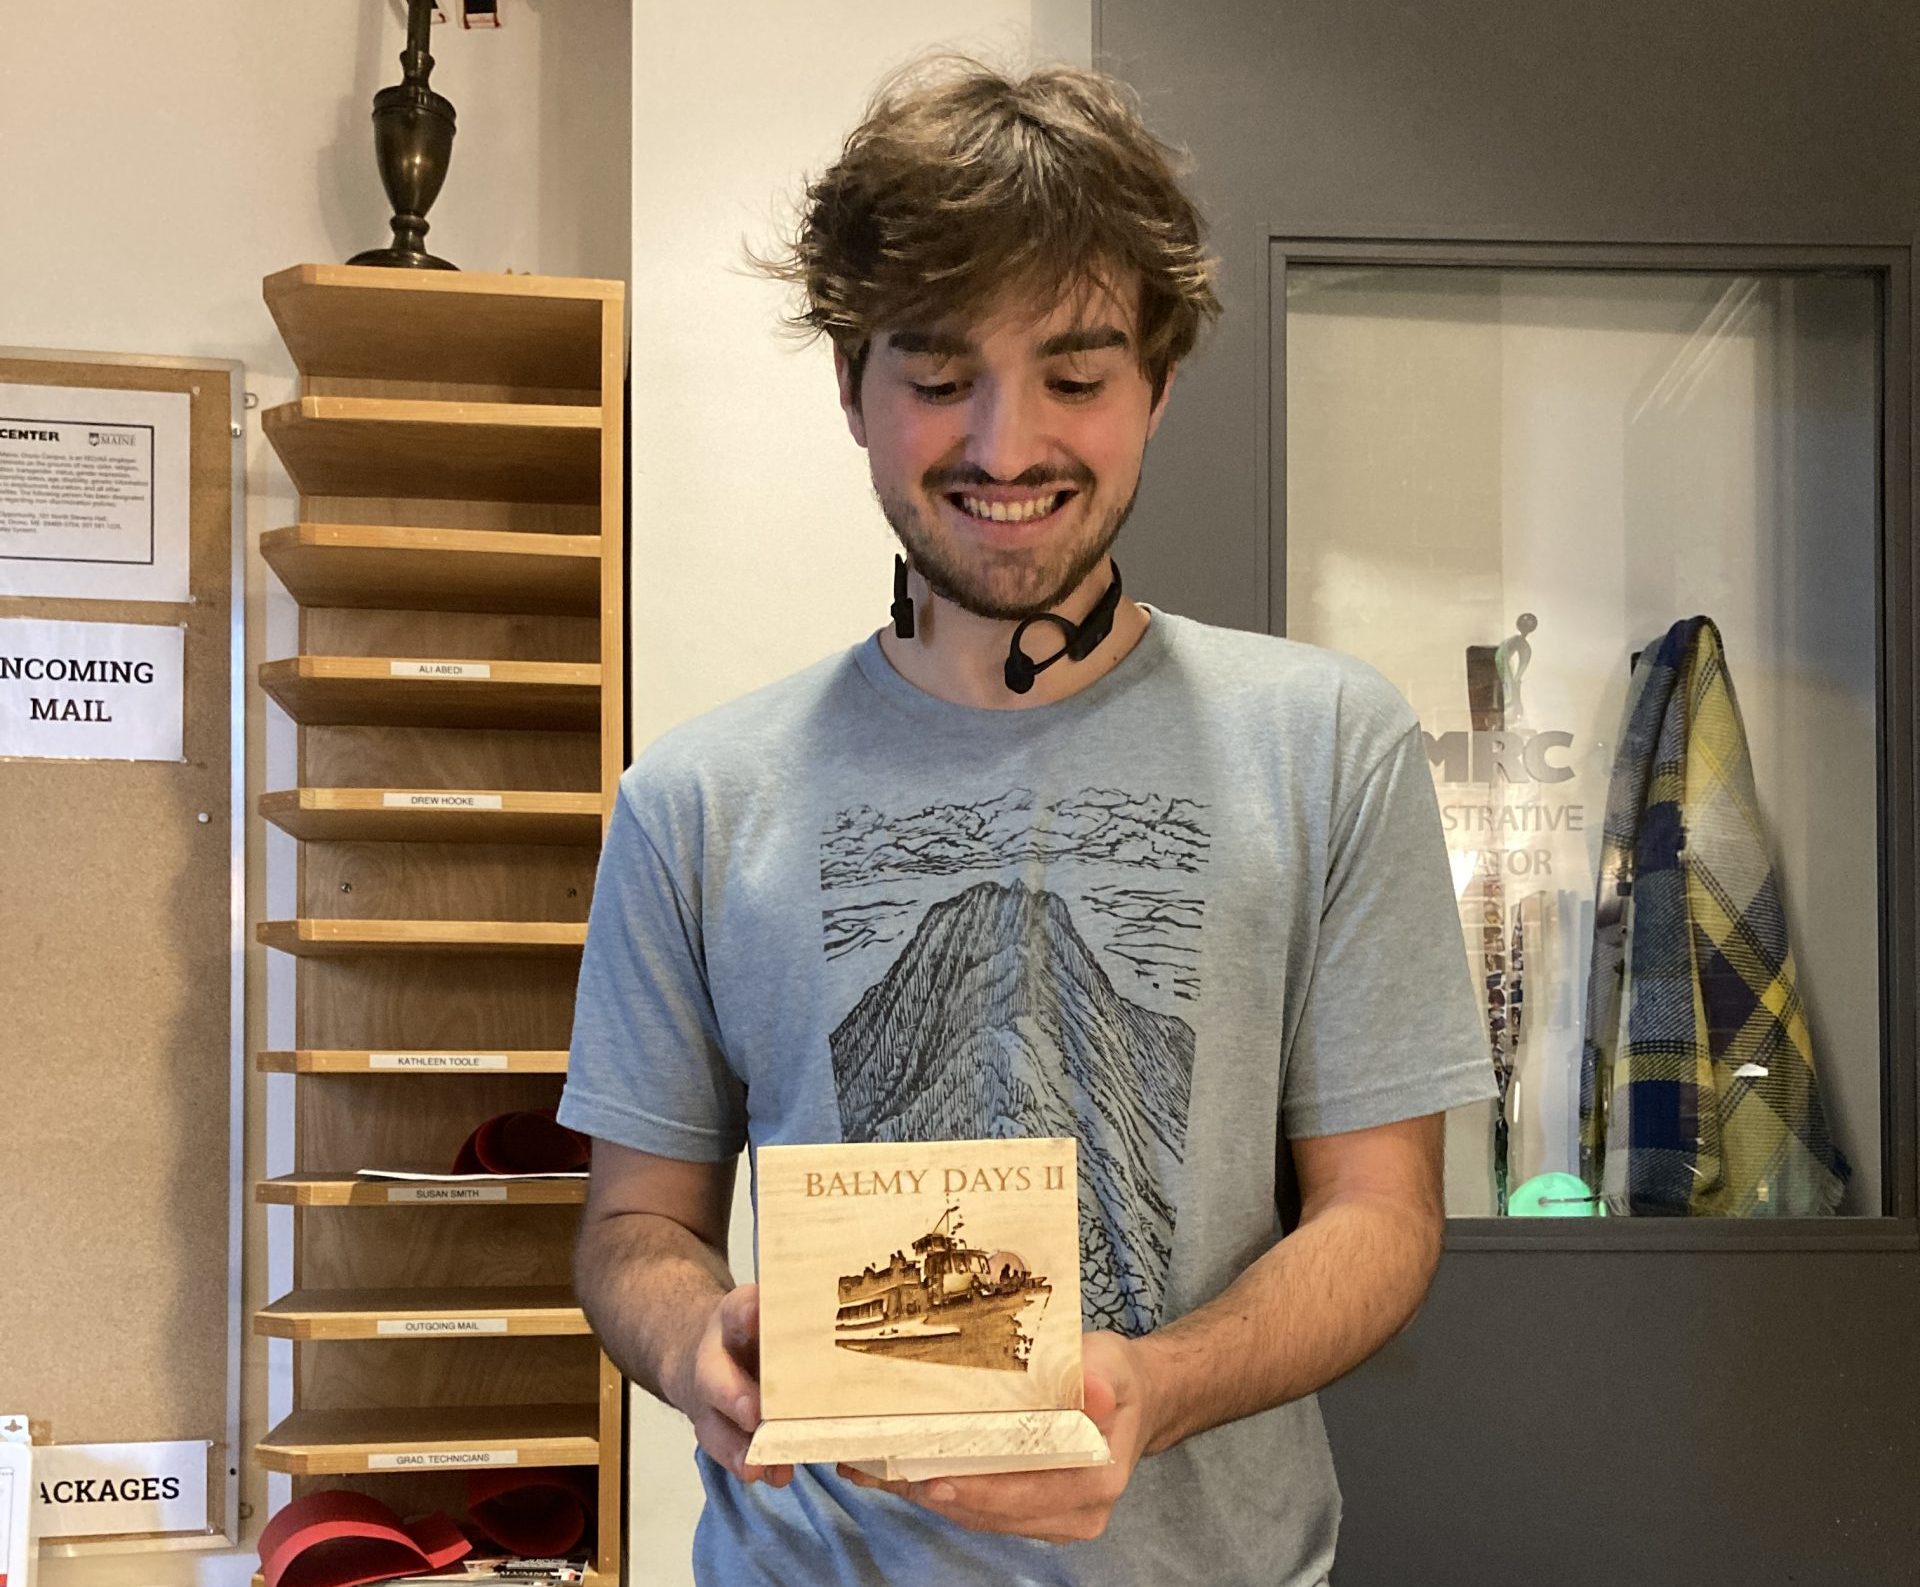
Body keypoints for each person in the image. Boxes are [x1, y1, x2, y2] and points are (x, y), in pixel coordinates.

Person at [560, 56, 1494, 1587]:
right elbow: (632, 1227)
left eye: (1076, 375)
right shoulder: (696, 798)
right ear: (851, 384)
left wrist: (1160, 1386)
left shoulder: (1328, 745)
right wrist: (690, 1343)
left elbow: (1384, 1215)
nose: (1006, 447)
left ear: (1158, 384)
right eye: (938, 378)